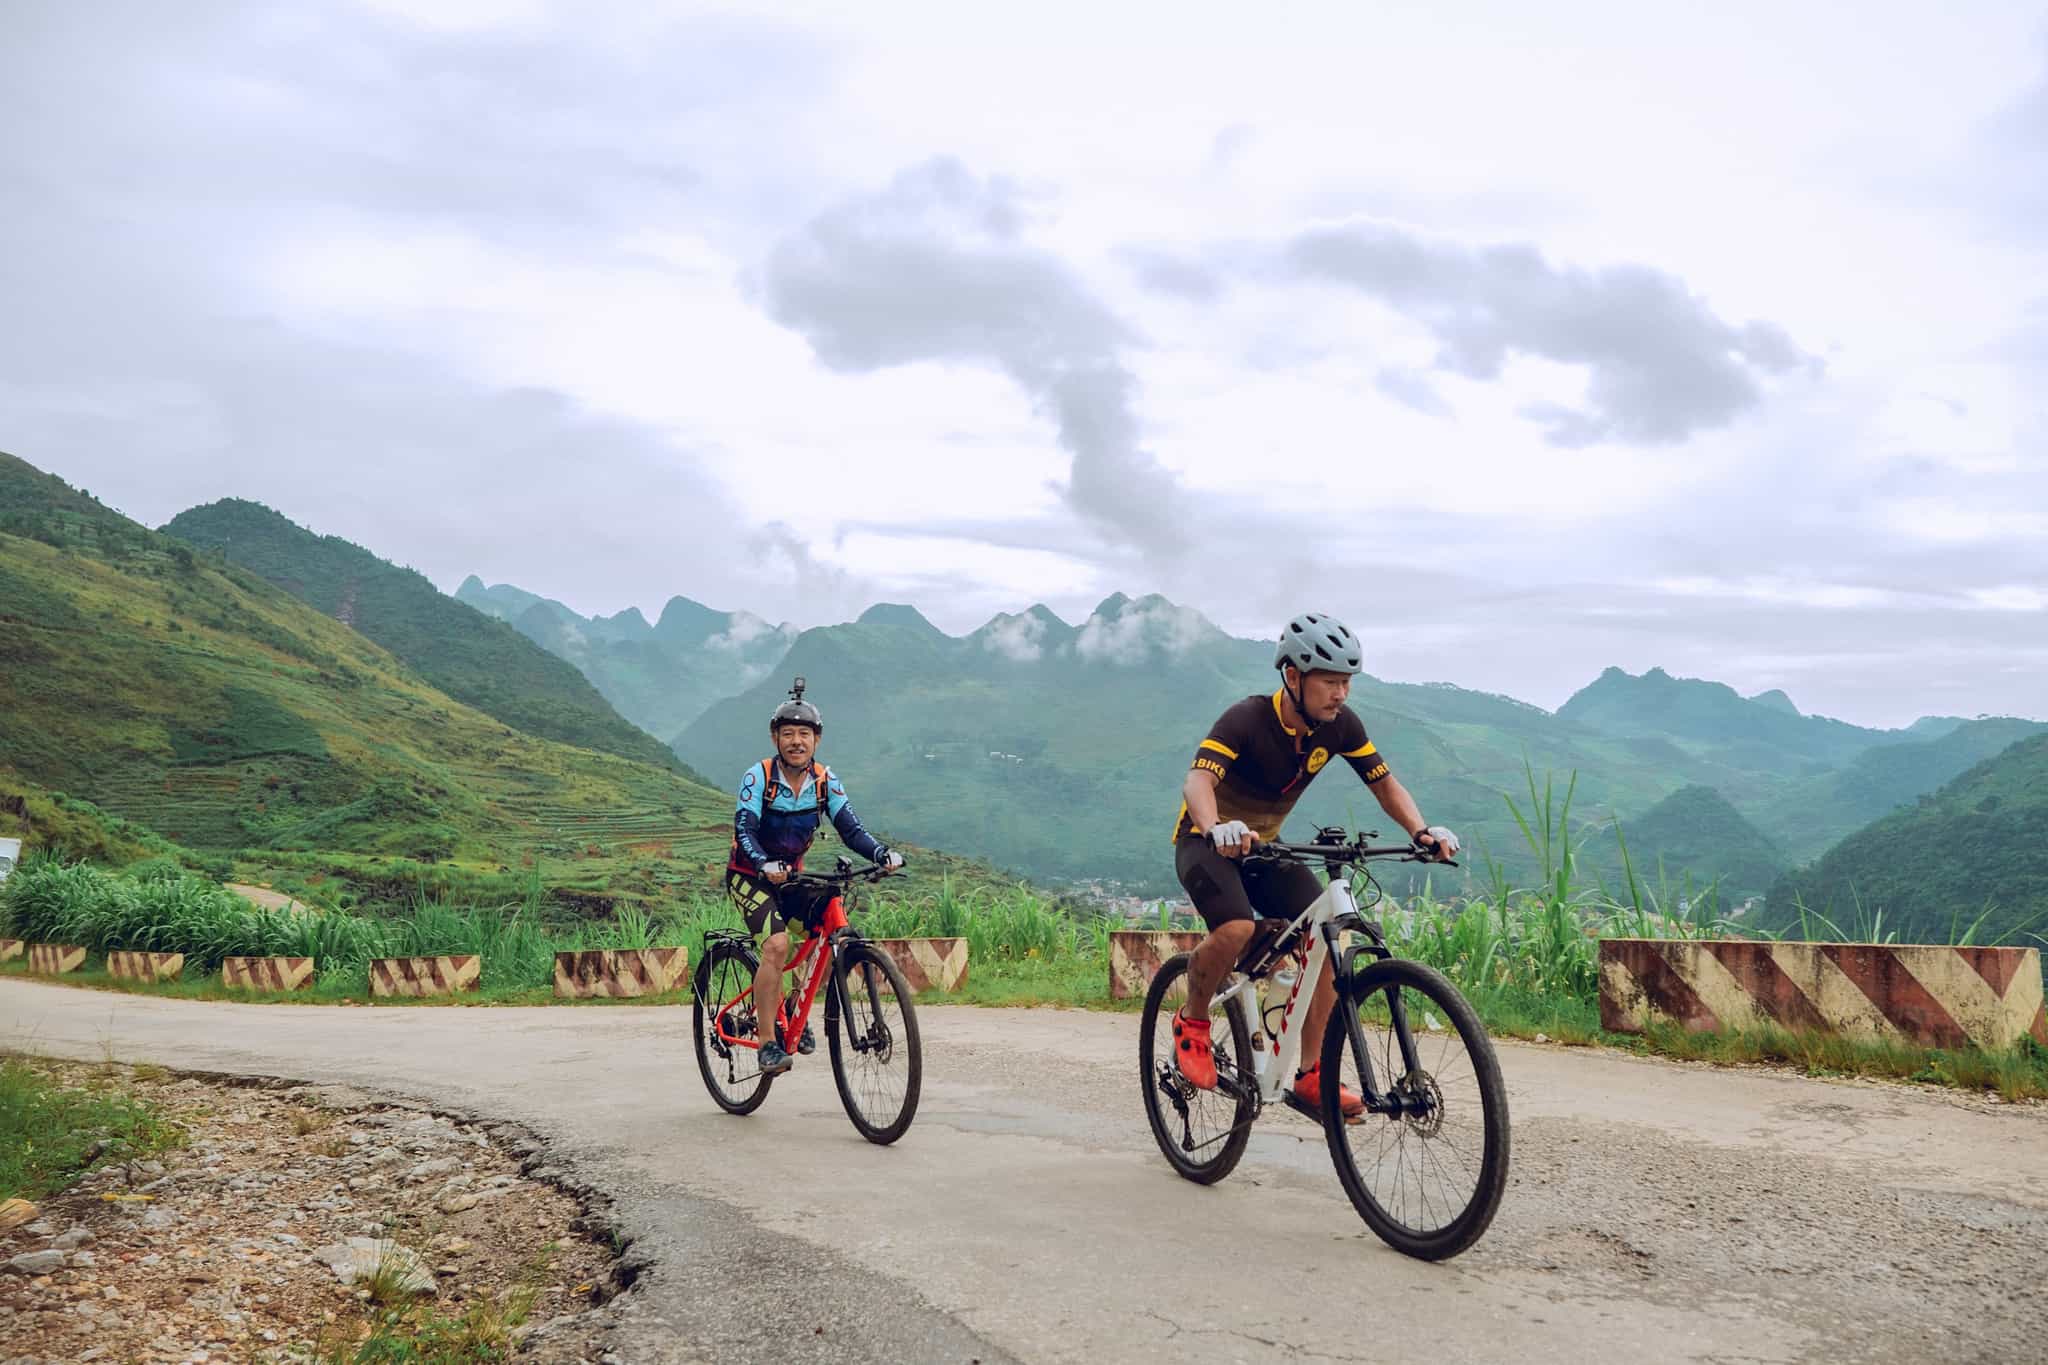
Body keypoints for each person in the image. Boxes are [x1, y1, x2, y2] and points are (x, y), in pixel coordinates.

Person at [1170, 613, 1460, 1116]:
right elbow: (1198, 781)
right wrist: (1217, 826)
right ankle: (1193, 1022)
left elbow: (1384, 784)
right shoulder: (1247, 718)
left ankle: (1310, 1073)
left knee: (1329, 937)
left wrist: (1420, 830)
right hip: (1206, 843)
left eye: (1347, 681)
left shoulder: (1341, 726)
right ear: (1293, 677)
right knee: (1237, 926)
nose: (1341, 693)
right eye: (1330, 680)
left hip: (1265, 847)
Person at [727, 678, 903, 1075]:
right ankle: (768, 1043)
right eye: (787, 733)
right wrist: (761, 864)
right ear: (775, 737)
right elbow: (745, 830)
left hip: (791, 877)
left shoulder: (825, 781)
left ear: (816, 740)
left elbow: (851, 829)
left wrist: (880, 853)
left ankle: (795, 1005)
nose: (796, 741)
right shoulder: (759, 777)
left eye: (803, 734)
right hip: (749, 875)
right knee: (775, 945)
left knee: (830, 931)